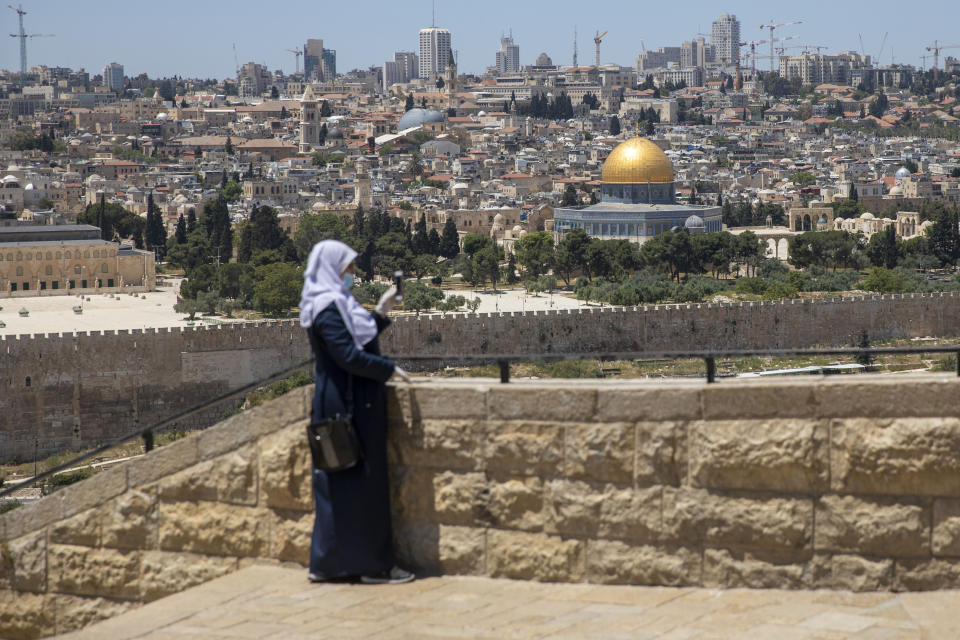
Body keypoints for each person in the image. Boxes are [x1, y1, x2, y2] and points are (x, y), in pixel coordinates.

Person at [299, 240, 414, 585]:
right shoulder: (328, 307)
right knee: (363, 484)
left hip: (346, 401)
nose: (352, 274)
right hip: (348, 407)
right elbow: (347, 356)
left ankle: (329, 564)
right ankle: (372, 567)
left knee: (339, 485)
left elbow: (358, 337)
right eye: (348, 268)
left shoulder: (336, 303)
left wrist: (380, 311)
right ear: (333, 269)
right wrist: (388, 369)